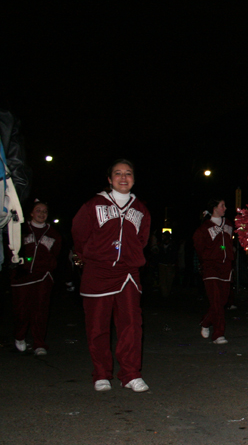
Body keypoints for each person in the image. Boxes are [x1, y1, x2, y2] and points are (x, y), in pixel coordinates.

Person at [72, 159, 151, 392]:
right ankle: (101, 374)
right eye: (118, 174)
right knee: (97, 327)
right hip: (98, 272)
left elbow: (142, 240)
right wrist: (90, 256)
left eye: (128, 173)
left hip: (128, 273)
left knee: (132, 326)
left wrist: (129, 255)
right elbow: (79, 233)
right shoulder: (93, 204)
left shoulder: (141, 209)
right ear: (109, 179)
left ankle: (130, 374)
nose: (123, 177)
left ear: (134, 179)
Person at [10, 200, 61, 355]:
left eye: (45, 211)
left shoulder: (53, 233)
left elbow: (57, 254)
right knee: (21, 310)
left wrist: (50, 269)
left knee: (40, 310)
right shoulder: (21, 229)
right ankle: (20, 337)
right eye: (38, 210)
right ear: (31, 213)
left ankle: (39, 343)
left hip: (43, 277)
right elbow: (10, 250)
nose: (42, 214)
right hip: (21, 277)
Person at [193, 199, 235, 344]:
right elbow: (198, 246)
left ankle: (205, 322)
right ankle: (218, 334)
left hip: (226, 267)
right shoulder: (204, 228)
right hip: (211, 268)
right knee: (216, 301)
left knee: (222, 301)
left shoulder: (229, 224)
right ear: (214, 208)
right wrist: (206, 259)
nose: (225, 208)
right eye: (222, 205)